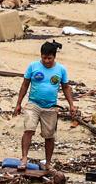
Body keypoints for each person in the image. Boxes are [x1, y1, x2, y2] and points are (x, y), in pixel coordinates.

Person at [15, 40, 76, 171]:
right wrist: (18, 103)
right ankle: (24, 158)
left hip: (51, 107)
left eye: (49, 58)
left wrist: (71, 104)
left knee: (49, 136)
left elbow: (65, 87)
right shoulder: (33, 66)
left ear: (54, 56)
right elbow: (25, 84)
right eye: (44, 58)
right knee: (29, 129)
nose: (47, 61)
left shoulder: (61, 69)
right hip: (33, 104)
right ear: (40, 56)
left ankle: (48, 162)